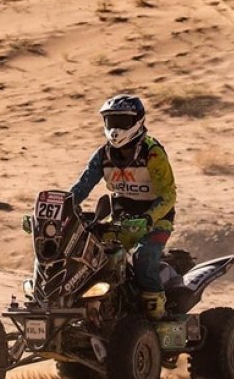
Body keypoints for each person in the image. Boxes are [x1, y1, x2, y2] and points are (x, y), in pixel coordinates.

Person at [69, 94, 177, 319]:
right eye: (111, 121)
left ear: (137, 121)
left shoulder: (152, 152)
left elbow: (168, 195)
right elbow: (81, 187)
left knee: (143, 260)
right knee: (90, 259)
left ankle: (157, 318)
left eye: (122, 122)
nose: (115, 129)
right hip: (119, 221)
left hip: (156, 220)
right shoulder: (103, 154)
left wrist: (148, 218)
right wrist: (62, 207)